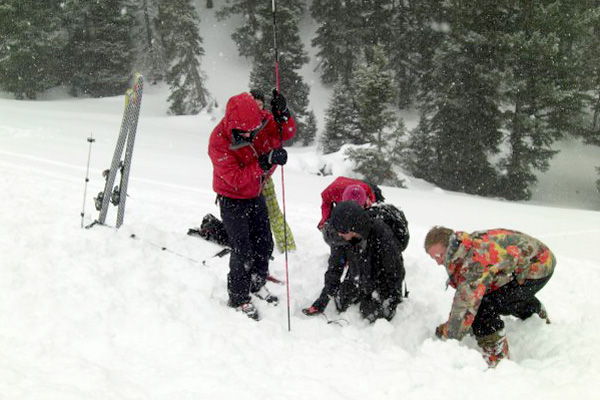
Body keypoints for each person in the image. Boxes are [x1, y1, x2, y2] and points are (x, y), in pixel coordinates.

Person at [208, 89, 295, 320]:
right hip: (232, 199)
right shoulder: (218, 142)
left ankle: (257, 283)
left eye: (252, 131)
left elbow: (284, 134)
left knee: (264, 243)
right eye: (243, 132)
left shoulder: (260, 121)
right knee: (242, 249)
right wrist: (264, 162)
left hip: (255, 194)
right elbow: (235, 179)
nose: (249, 135)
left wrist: (283, 115)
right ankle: (238, 297)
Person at [424, 226, 555, 367]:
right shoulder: (463, 247)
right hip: (527, 260)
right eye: (433, 258)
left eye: (439, 256)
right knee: (497, 297)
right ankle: (532, 310)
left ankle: (497, 356)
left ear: (449, 247)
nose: (438, 262)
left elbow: (466, 302)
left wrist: (450, 334)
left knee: (484, 308)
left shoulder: (474, 261)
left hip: (539, 265)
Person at [304, 201, 406, 323]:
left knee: (372, 313)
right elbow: (335, 268)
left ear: (353, 228)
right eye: (338, 233)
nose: (340, 235)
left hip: (381, 278)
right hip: (359, 275)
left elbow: (395, 272)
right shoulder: (341, 238)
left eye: (343, 232)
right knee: (342, 302)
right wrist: (323, 298)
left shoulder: (381, 234)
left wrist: (388, 298)